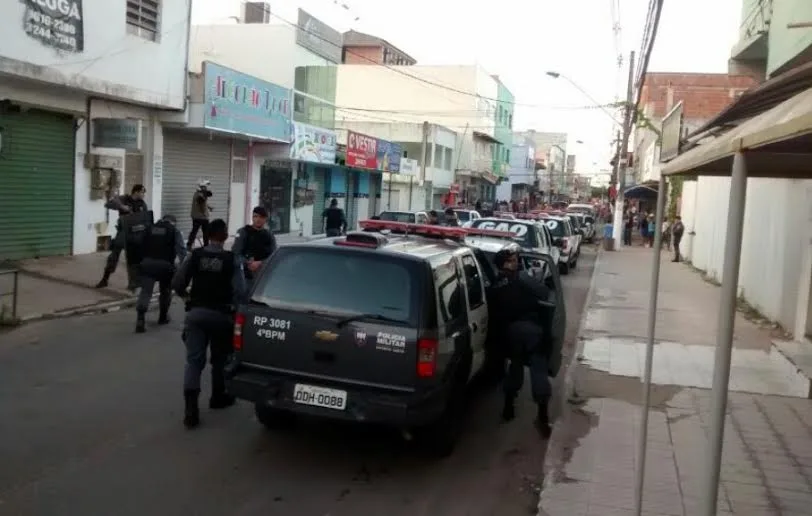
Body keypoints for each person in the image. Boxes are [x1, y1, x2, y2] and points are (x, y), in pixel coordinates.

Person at [172, 219, 247, 429]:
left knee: (194, 362)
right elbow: (240, 292)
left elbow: (177, 283)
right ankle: (218, 397)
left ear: (208, 235)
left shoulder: (195, 256)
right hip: (222, 317)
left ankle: (190, 411)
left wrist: (189, 300)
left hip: (196, 315)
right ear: (224, 237)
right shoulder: (232, 259)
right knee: (220, 359)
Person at [489, 247, 556, 437]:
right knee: (539, 369)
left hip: (510, 333)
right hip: (531, 330)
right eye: (512, 260)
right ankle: (542, 417)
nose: (516, 262)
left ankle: (508, 409)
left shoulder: (494, 284)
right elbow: (544, 293)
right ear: (505, 264)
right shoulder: (522, 278)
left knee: (515, 367)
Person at [135, 214, 186, 333]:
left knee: (146, 292)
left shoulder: (149, 228)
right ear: (173, 222)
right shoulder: (174, 231)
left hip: (147, 264)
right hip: (165, 266)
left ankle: (140, 319)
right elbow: (181, 251)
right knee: (165, 291)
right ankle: (163, 317)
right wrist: (183, 269)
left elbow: (138, 245)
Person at [96, 184, 149, 290]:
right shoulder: (124, 199)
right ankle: (105, 279)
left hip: (136, 234)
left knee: (133, 260)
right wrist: (122, 207)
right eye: (142, 192)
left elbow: (146, 219)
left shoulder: (143, 204)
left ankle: (133, 284)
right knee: (113, 256)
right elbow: (108, 204)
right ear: (136, 192)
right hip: (123, 233)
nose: (143, 195)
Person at [232, 206, 277, 292]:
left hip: (262, 276)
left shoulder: (269, 235)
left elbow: (274, 255)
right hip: (245, 275)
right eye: (255, 216)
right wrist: (247, 262)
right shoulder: (243, 232)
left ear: (265, 219)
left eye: (261, 217)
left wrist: (260, 263)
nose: (258, 219)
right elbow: (235, 254)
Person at [187, 180, 213, 251]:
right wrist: (204, 214)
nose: (206, 188)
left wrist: (209, 207)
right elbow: (201, 205)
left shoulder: (198, 194)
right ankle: (206, 246)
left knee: (194, 231)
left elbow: (203, 202)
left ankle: (189, 245)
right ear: (201, 187)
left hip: (196, 216)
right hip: (202, 217)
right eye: (205, 187)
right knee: (205, 232)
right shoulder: (200, 195)